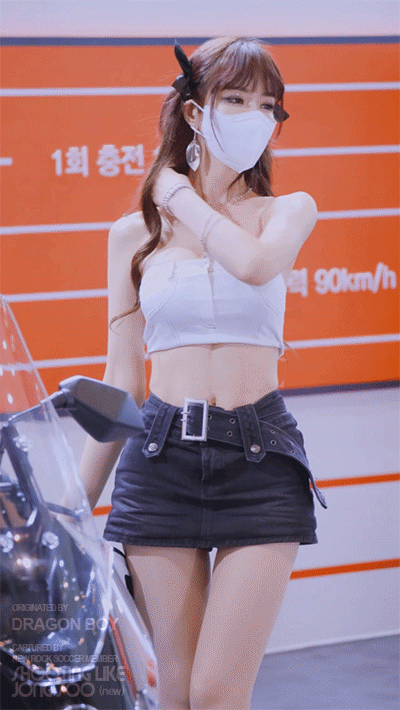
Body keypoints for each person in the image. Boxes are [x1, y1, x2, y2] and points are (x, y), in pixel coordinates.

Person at [79, 37, 327, 710]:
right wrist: (72, 505)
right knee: (177, 694)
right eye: (236, 99)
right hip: (160, 457)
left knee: (218, 693)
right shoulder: (132, 235)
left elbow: (253, 266)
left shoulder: (286, 210)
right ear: (194, 113)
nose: (256, 116)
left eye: (268, 105)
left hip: (259, 458)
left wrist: (179, 198)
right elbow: (123, 378)